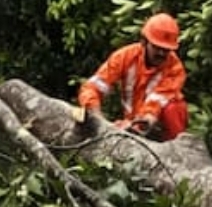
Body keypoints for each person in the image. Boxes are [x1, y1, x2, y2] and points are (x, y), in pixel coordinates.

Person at [77, 12, 188, 141]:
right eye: (157, 47)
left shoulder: (175, 68)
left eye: (166, 49)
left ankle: (175, 149)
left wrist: (142, 122)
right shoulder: (125, 57)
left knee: (175, 108)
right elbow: (92, 87)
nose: (161, 53)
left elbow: (155, 105)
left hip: (157, 124)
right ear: (144, 42)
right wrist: (96, 115)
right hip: (133, 122)